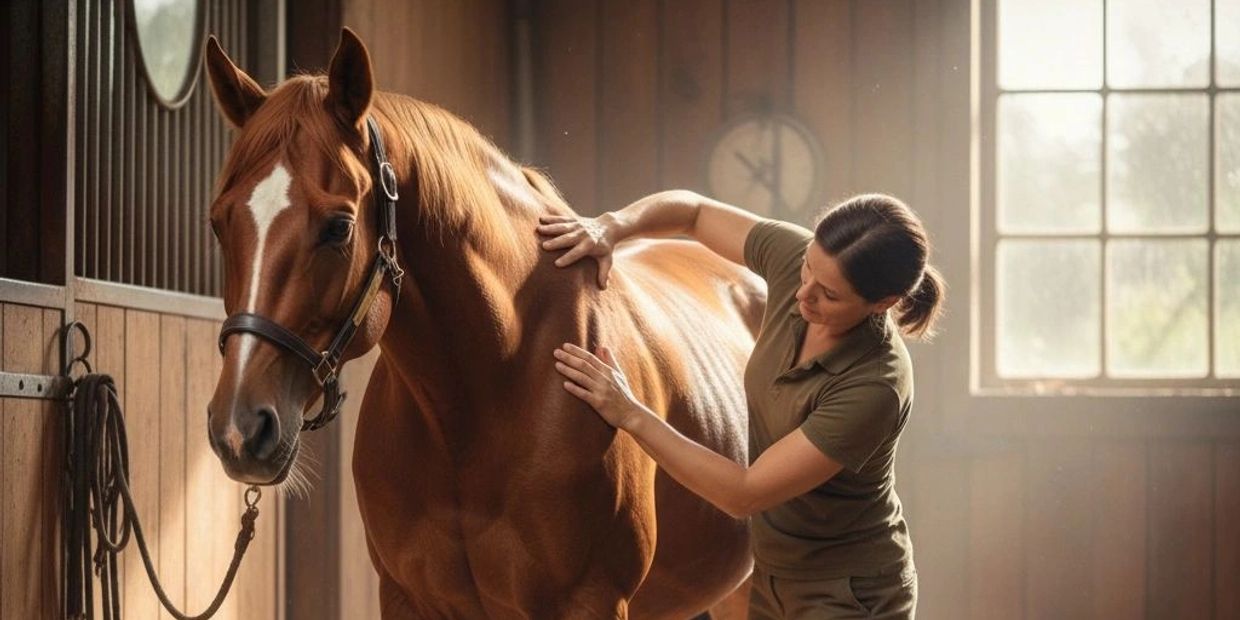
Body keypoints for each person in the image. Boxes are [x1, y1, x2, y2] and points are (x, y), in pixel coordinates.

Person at [536, 190, 943, 619]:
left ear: (884, 303)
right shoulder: (797, 262)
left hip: (849, 591)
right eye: (807, 268)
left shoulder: (875, 385)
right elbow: (693, 212)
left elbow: (743, 494)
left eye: (829, 295)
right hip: (771, 575)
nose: (803, 295)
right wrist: (613, 224)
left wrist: (630, 413)